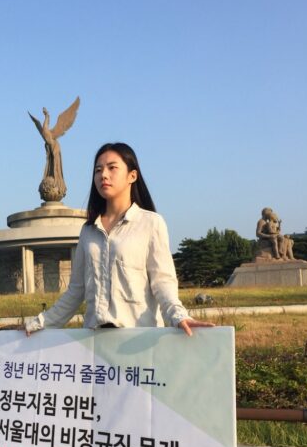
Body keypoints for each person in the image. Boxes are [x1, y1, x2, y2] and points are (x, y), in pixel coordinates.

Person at [25, 142, 213, 336]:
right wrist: (38, 324)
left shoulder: (151, 223)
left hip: (139, 341)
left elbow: (162, 281)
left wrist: (179, 316)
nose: (103, 175)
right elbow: (75, 291)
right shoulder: (88, 230)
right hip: (95, 342)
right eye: (98, 170)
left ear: (132, 176)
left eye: (112, 168)